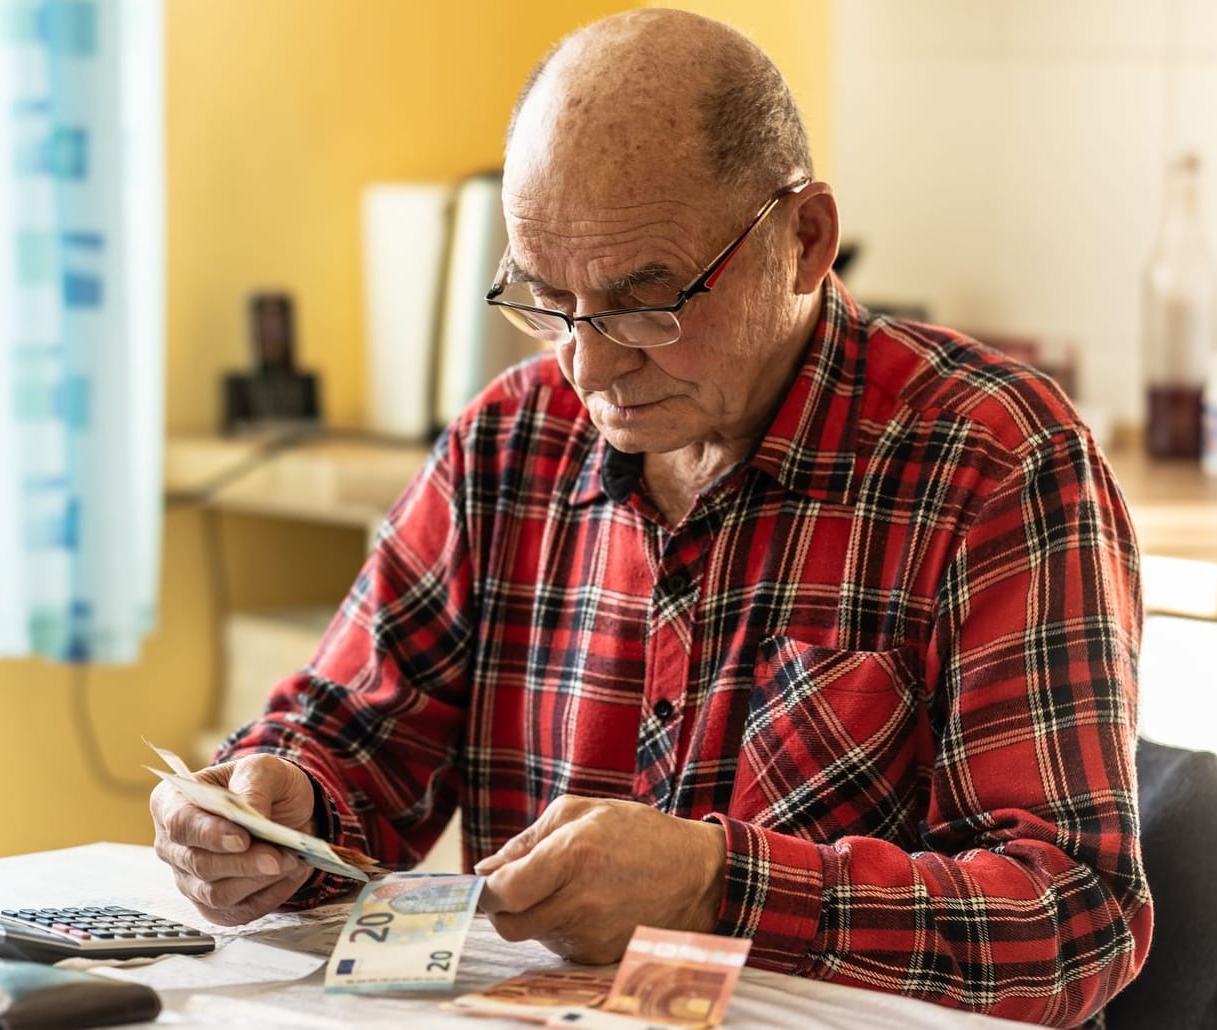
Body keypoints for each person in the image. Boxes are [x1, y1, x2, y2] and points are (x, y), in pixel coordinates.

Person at [150, 9, 1152, 1025]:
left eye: (644, 304)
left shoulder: (994, 464)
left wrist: (718, 885)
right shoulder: (510, 444)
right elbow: (350, 742)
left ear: (803, 241)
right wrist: (270, 806)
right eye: (544, 299)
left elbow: (1074, 920)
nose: (587, 365)